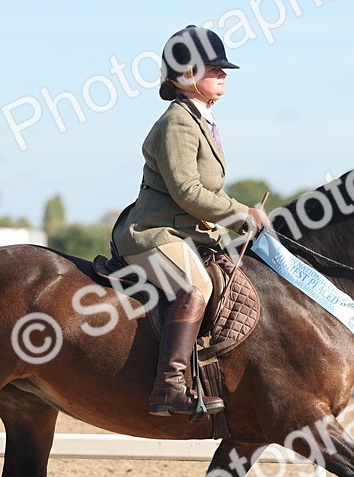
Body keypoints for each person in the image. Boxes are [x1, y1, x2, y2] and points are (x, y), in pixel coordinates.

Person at [112, 25, 268, 416]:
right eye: (213, 68)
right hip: (152, 233)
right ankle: (170, 384)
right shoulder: (177, 123)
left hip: (185, 232)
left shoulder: (202, 121)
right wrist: (241, 214)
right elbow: (188, 192)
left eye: (221, 68)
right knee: (195, 285)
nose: (223, 74)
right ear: (185, 76)